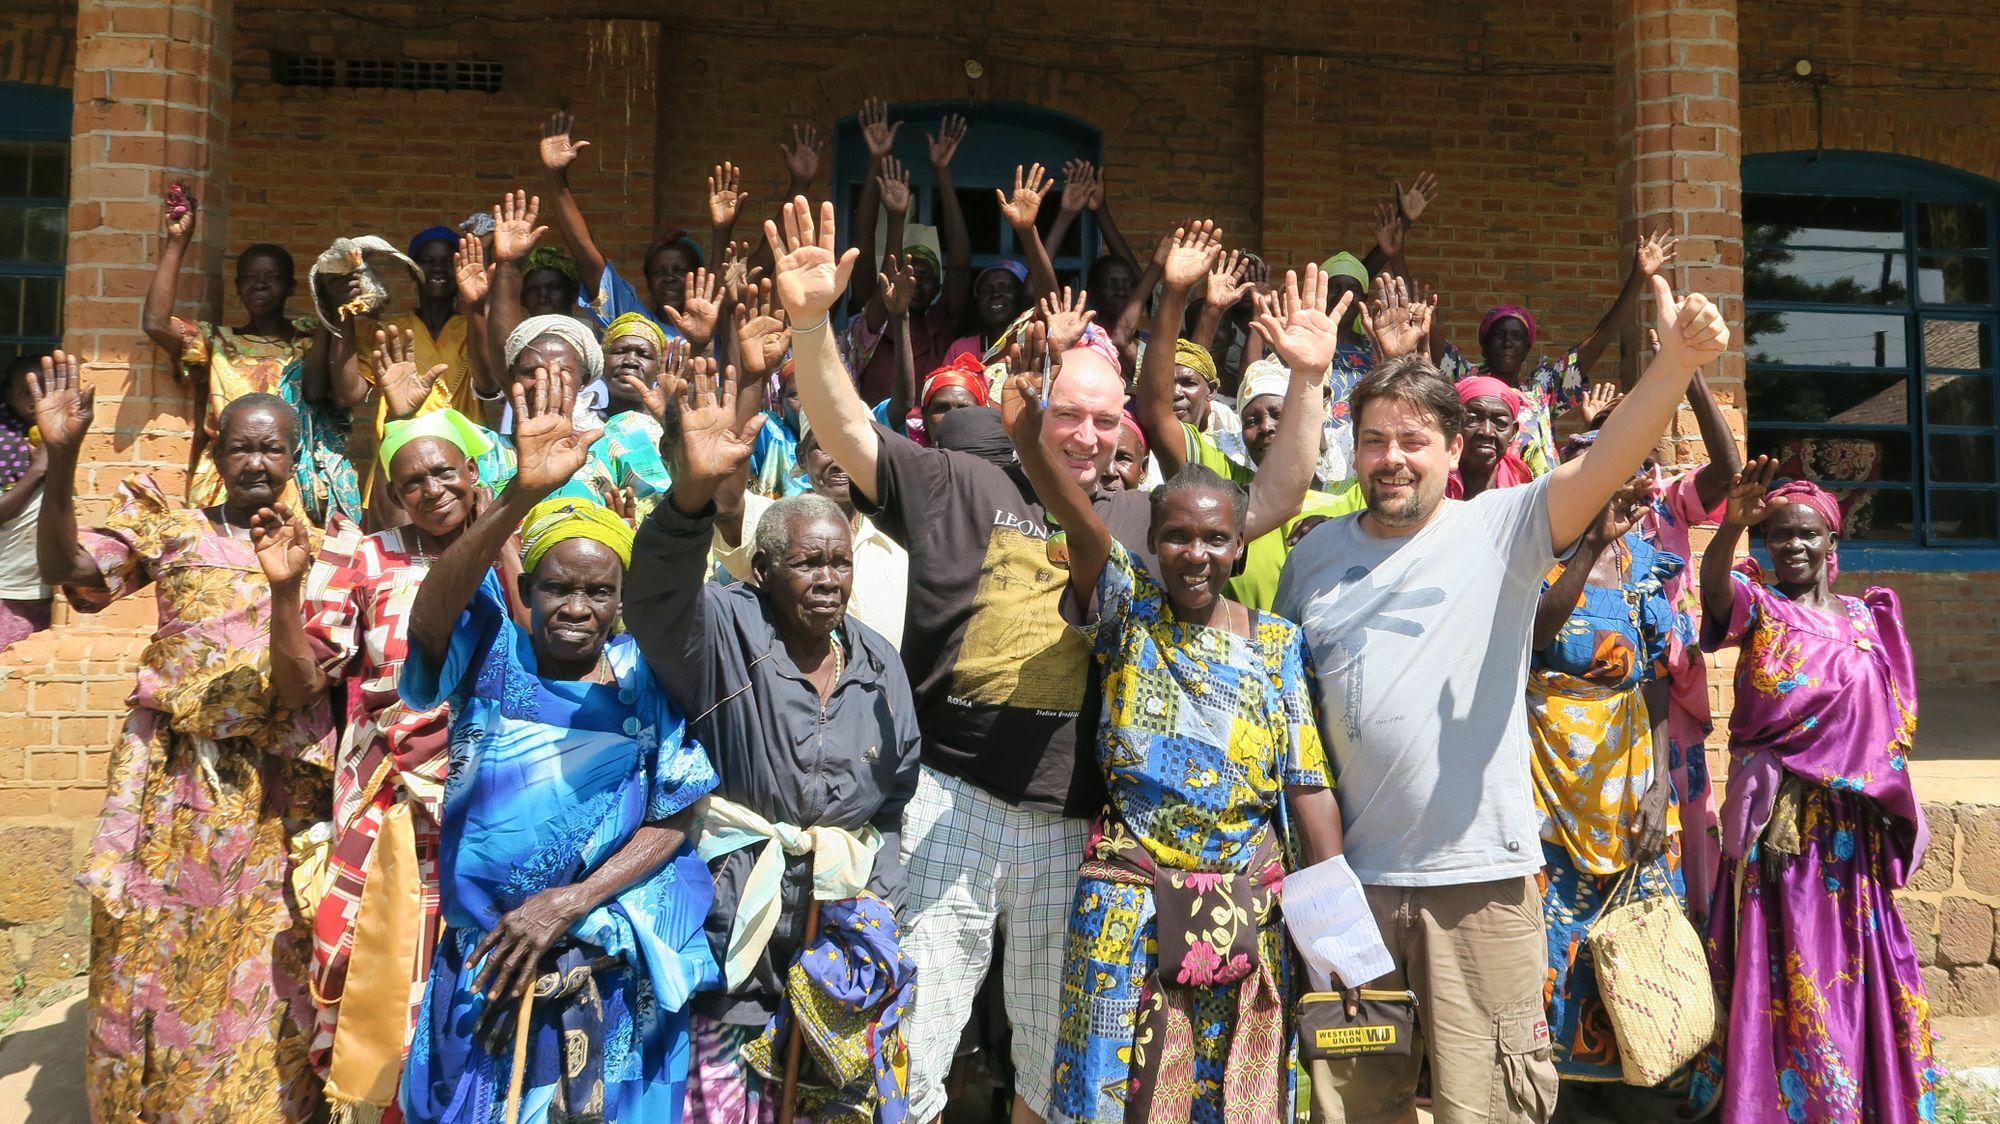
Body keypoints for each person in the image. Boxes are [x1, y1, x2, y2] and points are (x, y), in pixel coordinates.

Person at [771, 194, 1333, 1124]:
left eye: (1105, 421)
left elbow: (1272, 493)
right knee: (910, 1044)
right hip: (950, 799)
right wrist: (808, 323)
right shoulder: (956, 479)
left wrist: (1308, 377)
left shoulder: (1145, 522)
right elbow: (845, 430)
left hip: (1075, 830)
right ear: (1029, 403)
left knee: (1061, 1068)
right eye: (1068, 414)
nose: (1086, 435)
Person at [1274, 270, 1727, 1123]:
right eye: (1374, 441)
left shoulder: (1503, 528)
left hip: (1477, 887)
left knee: (1487, 1104)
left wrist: (1674, 364)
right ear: (1353, 449)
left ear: (1454, 451)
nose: (1393, 458)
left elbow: (1607, 461)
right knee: (1353, 1105)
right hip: (1349, 891)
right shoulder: (1314, 559)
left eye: (1414, 441)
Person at [1005, 367, 1346, 1124]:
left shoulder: (1278, 644)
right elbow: (1080, 524)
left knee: (1227, 1102)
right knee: (1107, 1100)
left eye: (1216, 538)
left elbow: (1308, 787)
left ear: (1240, 549)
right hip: (1127, 913)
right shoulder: (1127, 613)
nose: (1197, 554)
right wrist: (1030, 442)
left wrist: (1338, 934)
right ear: (1153, 544)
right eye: (1179, 537)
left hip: (1247, 911)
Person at [397, 367, 719, 1124]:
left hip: (601, 968)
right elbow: (430, 624)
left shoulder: (642, 681)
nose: (577, 608)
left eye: (599, 592)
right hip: (487, 965)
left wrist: (570, 901)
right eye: (557, 588)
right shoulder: (491, 657)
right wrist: (518, 495)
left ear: (621, 602)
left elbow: (676, 814)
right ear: (527, 590)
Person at [34, 355, 332, 1122]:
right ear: (216, 454)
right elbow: (72, 570)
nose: (257, 462)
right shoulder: (171, 529)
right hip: (171, 781)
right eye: (242, 447)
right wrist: (62, 460)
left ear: (294, 455)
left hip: (272, 789)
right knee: (151, 934)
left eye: (272, 448)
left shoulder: (326, 550)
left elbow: (310, 685)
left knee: (263, 950)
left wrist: (288, 588)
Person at [623, 361, 923, 1120]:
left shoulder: (877, 661)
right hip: (734, 917)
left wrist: (880, 897)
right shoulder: (724, 626)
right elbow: (654, 599)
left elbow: (895, 797)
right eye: (807, 562)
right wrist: (690, 498)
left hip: (839, 934)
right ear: (761, 570)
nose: (828, 579)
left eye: (839, 562)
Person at [258, 406, 493, 1120]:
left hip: (490, 795)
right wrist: (285, 592)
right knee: (364, 952)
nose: (431, 490)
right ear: (392, 492)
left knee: (470, 961)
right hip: (387, 792)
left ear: (473, 472)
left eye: (443, 472)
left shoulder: (512, 546)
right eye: (411, 481)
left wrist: (503, 535)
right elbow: (303, 684)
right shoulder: (364, 557)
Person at [1698, 462, 1938, 1123]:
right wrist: (1730, 530)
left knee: (1851, 960)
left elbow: (1892, 722)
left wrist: (1878, 787)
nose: (1794, 546)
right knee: (1787, 956)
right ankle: (1781, 1101)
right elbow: (1713, 591)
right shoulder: (1760, 607)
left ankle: (1861, 1094)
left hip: (1851, 828)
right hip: (1781, 827)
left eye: (1807, 534)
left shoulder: (1868, 618)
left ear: (1833, 541)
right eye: (1780, 535)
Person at [1564, 358, 1741, 922]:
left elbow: (1728, 468)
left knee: (1683, 803)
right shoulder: (1573, 511)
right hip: (1595, 692)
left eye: (1635, 441)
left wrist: (1690, 371)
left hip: (1669, 683)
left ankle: (1691, 938)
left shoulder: (1667, 500)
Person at [1525, 468, 1681, 1090]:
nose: (1615, 498)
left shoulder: (1643, 563)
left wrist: (1660, 783)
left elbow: (1658, 677)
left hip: (1628, 767)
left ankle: (1638, 1069)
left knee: (1639, 919)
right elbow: (1538, 634)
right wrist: (1590, 543)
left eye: (1624, 487)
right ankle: (1554, 1081)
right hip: (1546, 767)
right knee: (1550, 922)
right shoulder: (1537, 554)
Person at [1132, 226, 1363, 611]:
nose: (1265, 427)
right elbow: (1157, 415)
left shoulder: (1348, 494)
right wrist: (1174, 294)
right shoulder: (1225, 483)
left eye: (1277, 413)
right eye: (1251, 420)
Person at [140, 191, 362, 525]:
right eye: (250, 278)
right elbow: (156, 323)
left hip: (290, 477)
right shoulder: (217, 342)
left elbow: (325, 389)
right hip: (224, 479)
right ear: (238, 286)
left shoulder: (310, 339)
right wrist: (177, 241)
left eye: (272, 278)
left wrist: (333, 307)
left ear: (291, 287)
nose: (260, 285)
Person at [1445, 230, 1676, 477]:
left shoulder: (1542, 392)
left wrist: (1638, 278)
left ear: (1527, 348)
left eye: (1516, 337)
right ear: (1484, 343)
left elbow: (1600, 340)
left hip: (1535, 494)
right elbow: (1429, 338)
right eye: (1498, 335)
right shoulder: (1466, 382)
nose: (1507, 343)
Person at [716, 425, 910, 648]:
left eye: (854, 446)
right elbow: (727, 506)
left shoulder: (897, 543)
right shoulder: (777, 525)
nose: (840, 462)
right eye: (825, 446)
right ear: (802, 457)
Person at [356, 224, 488, 418]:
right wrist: (339, 310)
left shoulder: (477, 327)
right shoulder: (389, 332)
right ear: (412, 270)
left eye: (448, 261)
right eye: (427, 261)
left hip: (466, 437)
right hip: (406, 436)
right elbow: (349, 394)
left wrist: (477, 305)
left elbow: (489, 385)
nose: (438, 268)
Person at [0, 356, 50, 651]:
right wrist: (38, 470)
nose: (36, 400)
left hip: (49, 589)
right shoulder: (4, 441)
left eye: (43, 391)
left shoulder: (66, 432)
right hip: (8, 589)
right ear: (8, 396)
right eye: (25, 393)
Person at [1449, 375, 1532, 499]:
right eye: (1473, 419)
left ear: (1513, 434)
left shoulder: (1521, 481)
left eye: (1500, 423)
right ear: (1455, 425)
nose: (1487, 432)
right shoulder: (1433, 481)